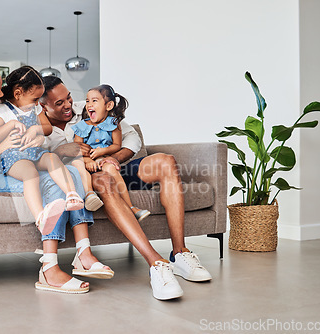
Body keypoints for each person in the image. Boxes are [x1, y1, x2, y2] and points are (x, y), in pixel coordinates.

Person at [0, 59, 113, 295]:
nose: (1, 94)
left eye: (1, 87)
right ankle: (49, 268)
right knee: (47, 183)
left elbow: (35, 129)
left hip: (11, 164)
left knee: (71, 171)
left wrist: (37, 137)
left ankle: (83, 252)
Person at [39, 76, 212, 300]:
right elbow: (44, 165)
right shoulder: (38, 130)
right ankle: (156, 264)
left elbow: (131, 137)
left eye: (69, 97)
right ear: (43, 106)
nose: (69, 105)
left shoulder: (87, 107)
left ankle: (180, 253)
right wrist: (65, 152)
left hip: (116, 166)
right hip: (91, 175)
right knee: (103, 180)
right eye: (59, 103)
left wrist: (113, 158)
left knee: (166, 161)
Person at [0, 66, 84, 235]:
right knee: (31, 174)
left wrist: (35, 130)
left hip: (34, 151)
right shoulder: (3, 111)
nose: (38, 103)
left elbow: (47, 128)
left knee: (53, 158)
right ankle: (40, 217)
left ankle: (71, 195)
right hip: (14, 157)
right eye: (35, 98)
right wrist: (10, 125)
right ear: (18, 94)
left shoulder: (36, 108)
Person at [71, 84, 150, 221]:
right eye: (87, 100)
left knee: (111, 168)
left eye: (94, 101)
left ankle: (131, 208)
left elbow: (116, 145)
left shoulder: (114, 124)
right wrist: (88, 160)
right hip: (86, 161)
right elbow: (76, 149)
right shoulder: (81, 126)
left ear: (108, 106)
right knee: (76, 162)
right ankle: (90, 194)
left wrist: (103, 151)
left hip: (103, 159)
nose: (89, 104)